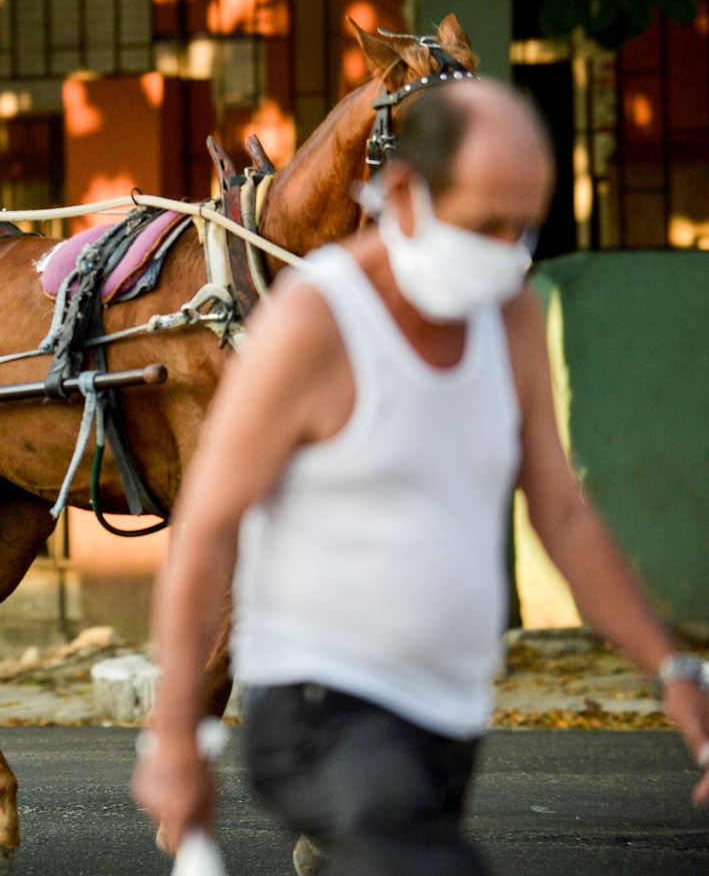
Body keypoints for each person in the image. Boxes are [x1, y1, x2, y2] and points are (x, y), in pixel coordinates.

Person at [132, 79, 709, 875]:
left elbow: (563, 518)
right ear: (401, 192)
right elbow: (207, 528)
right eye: (483, 224)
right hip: (316, 709)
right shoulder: (313, 324)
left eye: (522, 227)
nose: (505, 251)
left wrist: (674, 675)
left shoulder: (506, 321)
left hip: (444, 714)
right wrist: (173, 741)